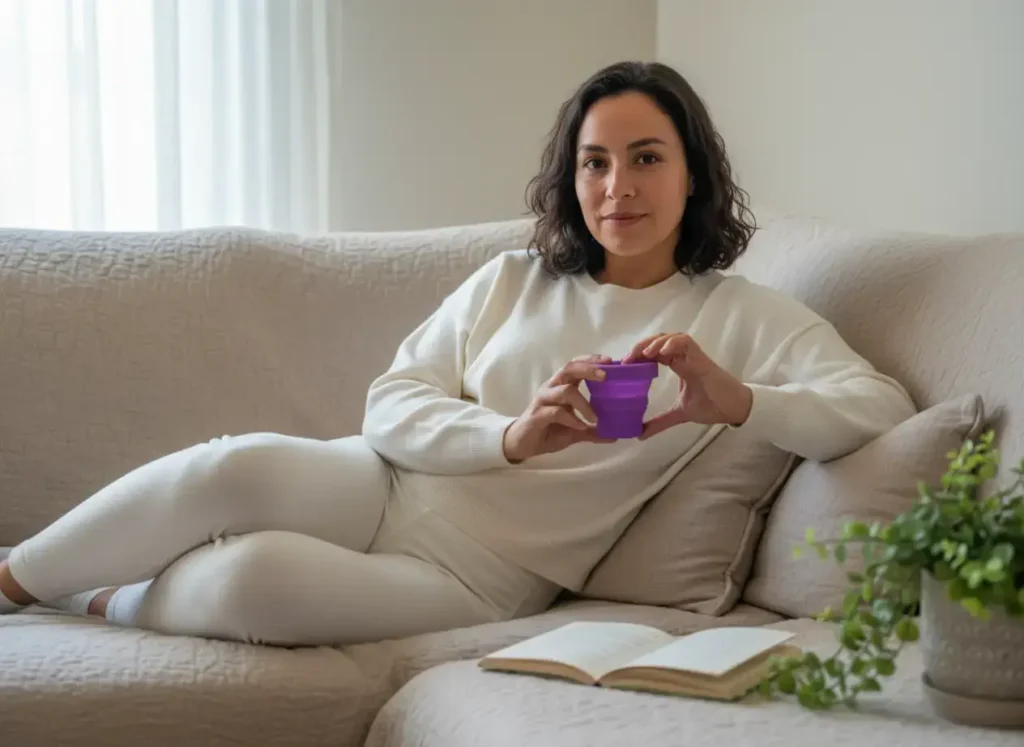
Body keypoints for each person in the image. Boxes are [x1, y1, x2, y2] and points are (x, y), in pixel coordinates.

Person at [0, 61, 917, 646]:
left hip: (476, 573)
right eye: (595, 162)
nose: (617, 186)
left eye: (646, 158)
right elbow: (390, 402)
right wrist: (509, 436)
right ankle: (13, 578)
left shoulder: (742, 316)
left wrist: (736, 398)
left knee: (256, 577)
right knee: (235, 464)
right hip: (383, 482)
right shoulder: (513, 280)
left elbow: (877, 405)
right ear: (572, 178)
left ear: (694, 176)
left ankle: (106, 600)